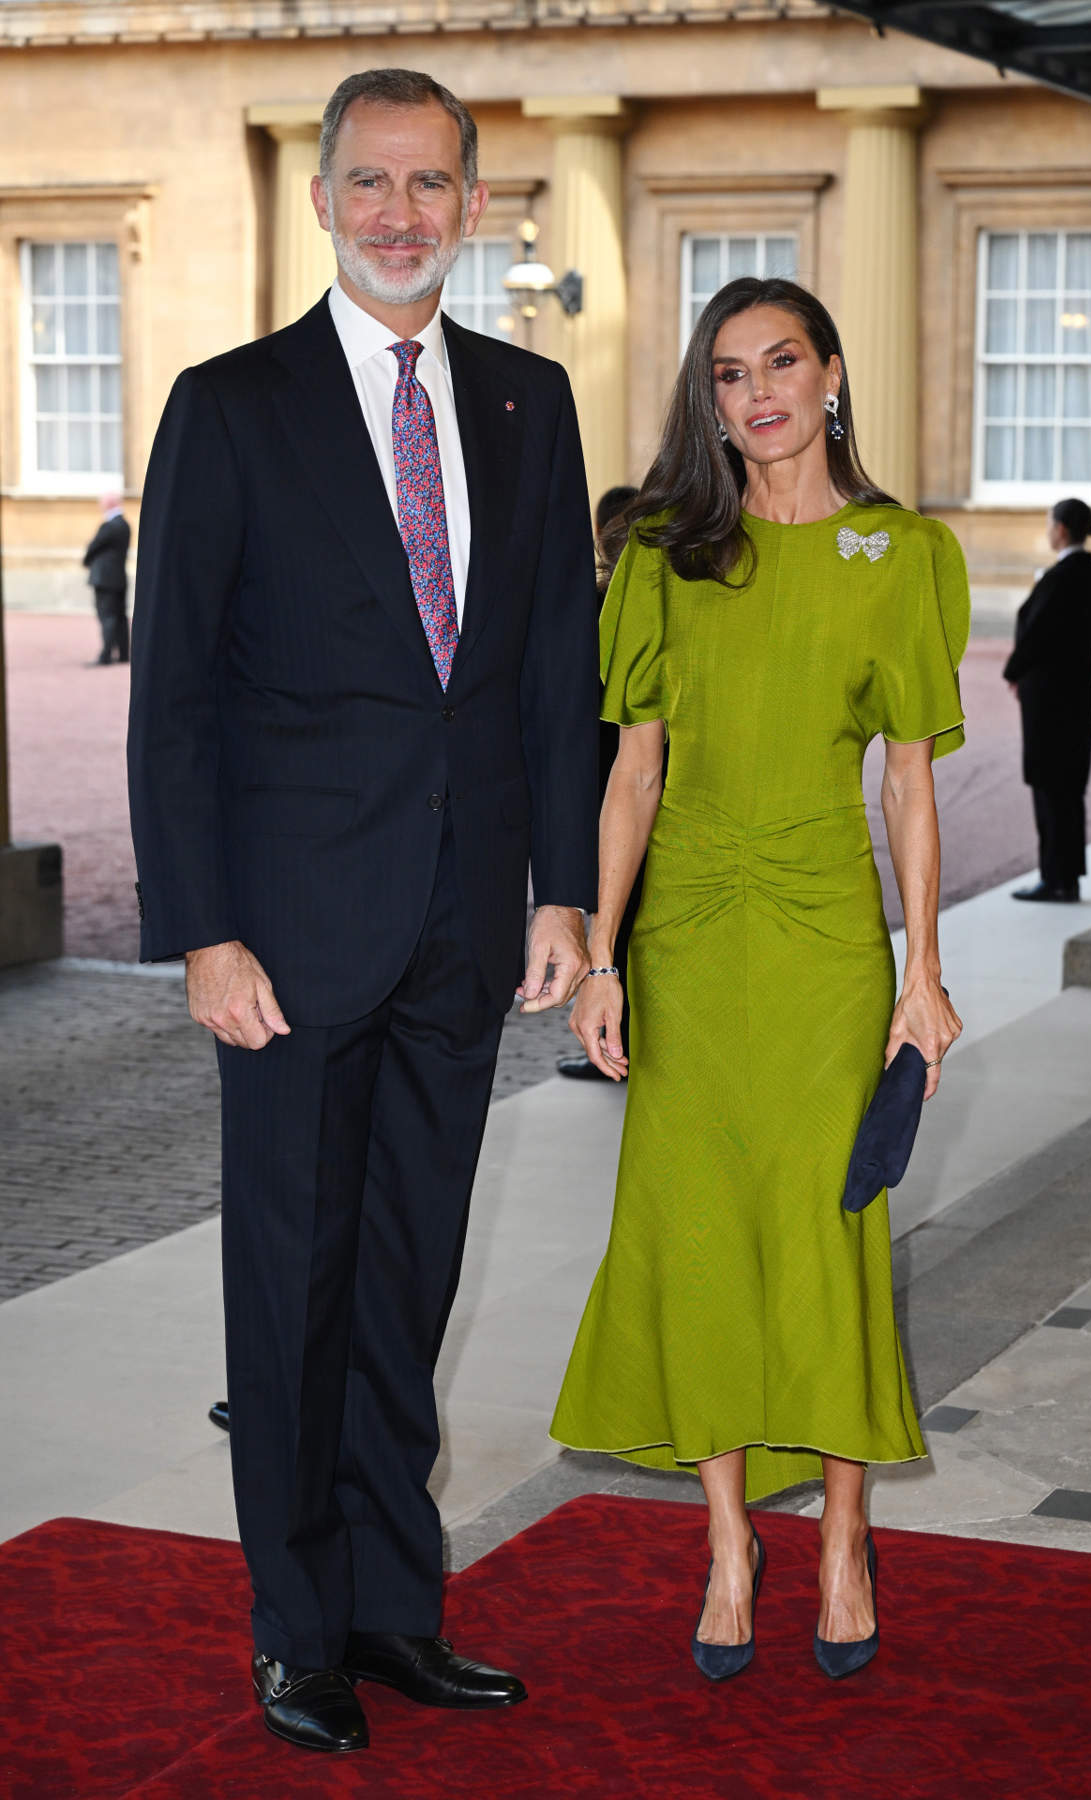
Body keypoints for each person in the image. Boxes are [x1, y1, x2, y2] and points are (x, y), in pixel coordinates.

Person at [128, 67, 597, 1755]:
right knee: (295, 1288)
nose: (403, 212)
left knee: (408, 1286)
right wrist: (203, 929)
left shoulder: (531, 408)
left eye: (434, 184)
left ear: (475, 205)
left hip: (466, 931)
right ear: (325, 200)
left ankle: (401, 1609)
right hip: (290, 939)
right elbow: (173, 695)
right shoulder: (232, 406)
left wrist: (568, 896)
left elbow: (556, 678)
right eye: (372, 183)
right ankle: (296, 1628)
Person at [551, 277, 966, 1683]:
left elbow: (910, 784)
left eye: (782, 362)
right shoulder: (668, 554)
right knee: (696, 1229)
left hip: (824, 950)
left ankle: (845, 1532)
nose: (758, 393)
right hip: (691, 941)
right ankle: (730, 1543)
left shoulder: (898, 552)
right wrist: (602, 957)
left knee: (825, 1228)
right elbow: (632, 773)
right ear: (707, 401)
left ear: (832, 374)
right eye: (727, 375)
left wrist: (926, 973)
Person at [557, 483, 639, 1083]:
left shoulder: (598, 600)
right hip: (631, 772)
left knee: (619, 907)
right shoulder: (612, 596)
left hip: (610, 772)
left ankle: (619, 1036)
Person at [1004, 497, 1091, 903]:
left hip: (1052, 698)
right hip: (1076, 692)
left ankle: (1055, 877)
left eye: (1050, 523)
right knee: (1068, 786)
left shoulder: (1063, 576)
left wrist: (1014, 672)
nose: (1048, 530)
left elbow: (1037, 632)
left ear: (1061, 528)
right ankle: (1067, 875)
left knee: (1049, 783)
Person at [83, 493, 131, 664]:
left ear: (109, 504)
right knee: (119, 616)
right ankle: (124, 653)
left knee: (107, 616)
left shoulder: (109, 526)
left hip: (104, 579)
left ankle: (106, 654)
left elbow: (93, 547)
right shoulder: (125, 525)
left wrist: (86, 559)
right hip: (119, 577)